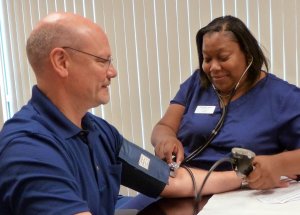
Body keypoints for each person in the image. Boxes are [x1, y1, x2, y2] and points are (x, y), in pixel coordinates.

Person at [0, 12, 245, 215]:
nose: (113, 72)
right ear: (61, 62)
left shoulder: (97, 130)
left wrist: (244, 177)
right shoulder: (28, 149)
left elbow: (172, 180)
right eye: (102, 61)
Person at [151, 15, 300, 190]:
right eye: (207, 59)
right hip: (178, 187)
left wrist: (278, 164)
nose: (213, 67)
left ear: (248, 54)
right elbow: (164, 126)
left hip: (240, 195)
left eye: (223, 58)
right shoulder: (196, 84)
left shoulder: (282, 97)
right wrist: (166, 139)